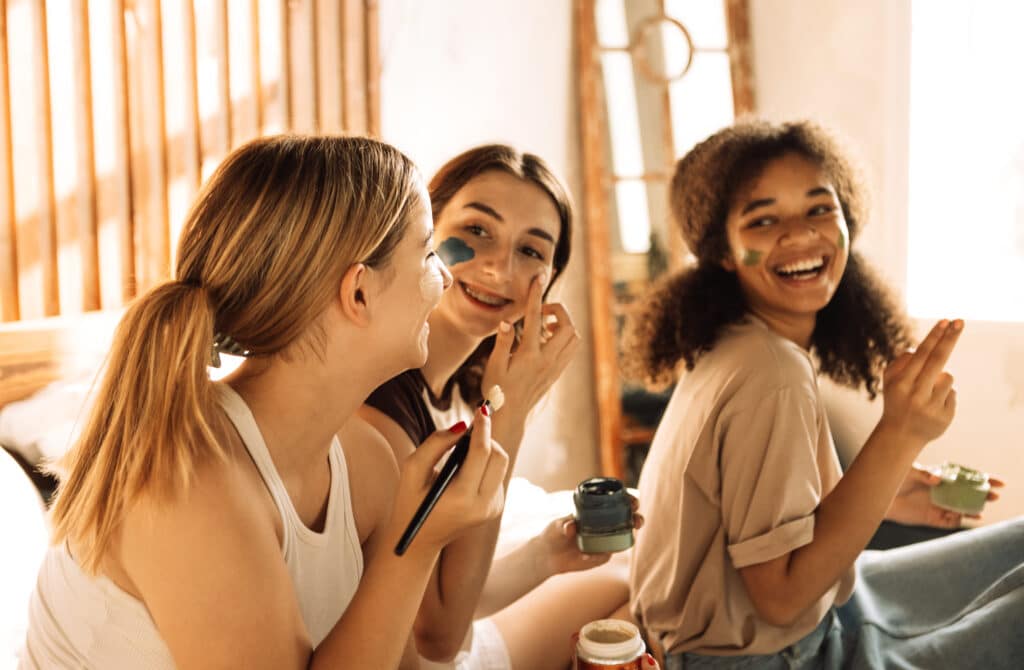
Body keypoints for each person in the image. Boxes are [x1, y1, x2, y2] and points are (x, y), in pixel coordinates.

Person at [22, 135, 510, 670]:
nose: (443, 278)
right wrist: (414, 545)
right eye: (426, 253)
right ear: (359, 293)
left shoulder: (367, 464)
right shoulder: (190, 484)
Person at [624, 120, 1024, 669]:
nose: (800, 234)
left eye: (818, 209)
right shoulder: (772, 374)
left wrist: (886, 489)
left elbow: (768, 520)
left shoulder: (740, 346)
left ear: (846, 221)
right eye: (763, 220)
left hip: (800, 619)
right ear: (724, 248)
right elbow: (782, 597)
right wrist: (899, 435)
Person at [351, 145, 638, 670]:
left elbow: (445, 593)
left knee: (628, 577)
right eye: (478, 232)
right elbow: (438, 636)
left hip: (448, 640)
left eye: (531, 251)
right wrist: (509, 411)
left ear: (549, 278)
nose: (499, 267)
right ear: (424, 230)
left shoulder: (458, 388)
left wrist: (549, 554)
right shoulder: (379, 405)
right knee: (635, 607)